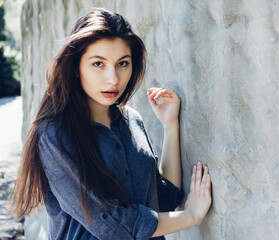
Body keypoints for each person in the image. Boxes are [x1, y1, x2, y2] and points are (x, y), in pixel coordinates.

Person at [10, 7, 212, 240]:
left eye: (122, 63)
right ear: (76, 67)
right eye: (98, 64)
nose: (113, 79)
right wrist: (192, 216)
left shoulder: (132, 121)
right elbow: (110, 224)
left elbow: (163, 200)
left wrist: (170, 125)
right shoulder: (54, 135)